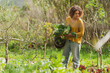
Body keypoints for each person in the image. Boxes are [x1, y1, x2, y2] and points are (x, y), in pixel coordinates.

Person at [62, 5, 84, 70]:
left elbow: (81, 33)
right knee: (65, 57)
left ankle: (75, 71)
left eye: (78, 13)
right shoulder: (68, 19)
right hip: (67, 41)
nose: (77, 15)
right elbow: (66, 28)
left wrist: (72, 35)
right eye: (75, 13)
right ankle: (62, 70)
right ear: (72, 13)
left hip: (76, 42)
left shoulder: (80, 22)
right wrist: (63, 33)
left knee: (75, 58)